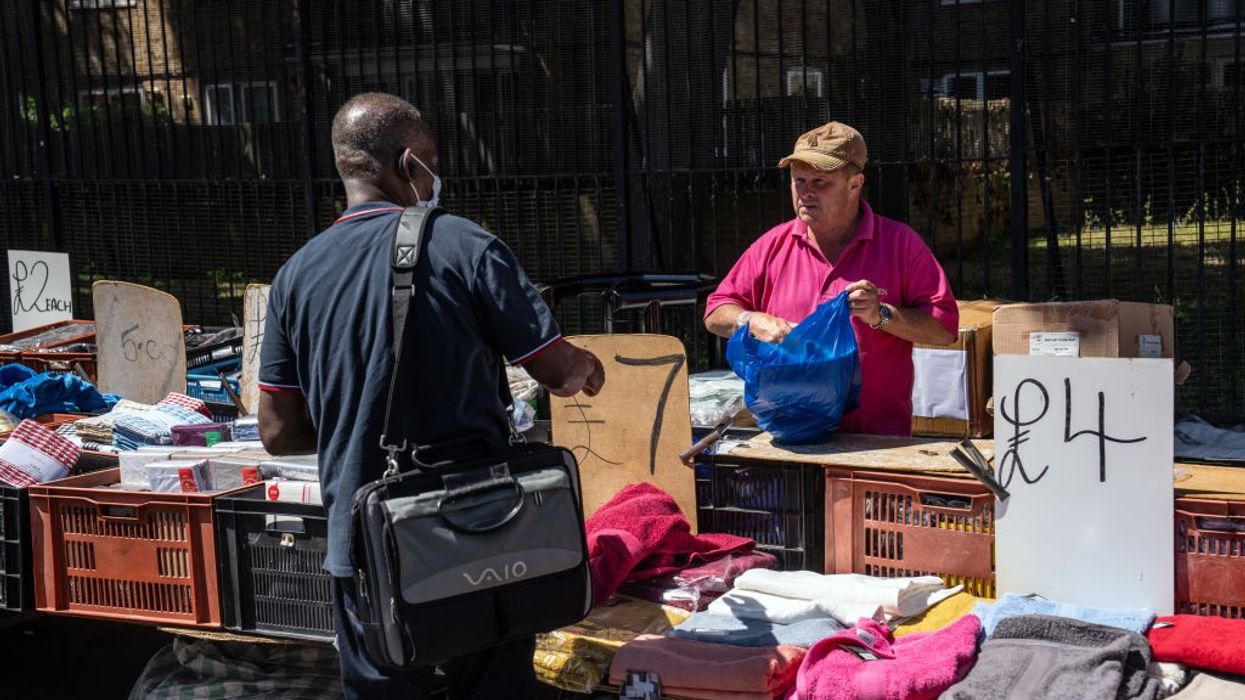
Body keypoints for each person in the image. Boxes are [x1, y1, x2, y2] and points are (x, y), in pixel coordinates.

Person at [257, 92, 605, 699]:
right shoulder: (463, 245)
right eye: (434, 160)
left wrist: (356, 420)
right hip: (479, 534)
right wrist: (587, 366)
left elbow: (278, 431)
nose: (437, 175)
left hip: (362, 542)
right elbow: (554, 372)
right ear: (409, 162)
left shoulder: (295, 276)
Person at [704, 121, 958, 436]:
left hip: (875, 443)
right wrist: (751, 320)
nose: (806, 193)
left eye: (820, 182)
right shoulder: (772, 246)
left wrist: (882, 315)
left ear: (855, 184)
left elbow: (945, 329)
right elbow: (716, 311)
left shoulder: (900, 244)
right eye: (798, 181)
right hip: (787, 439)